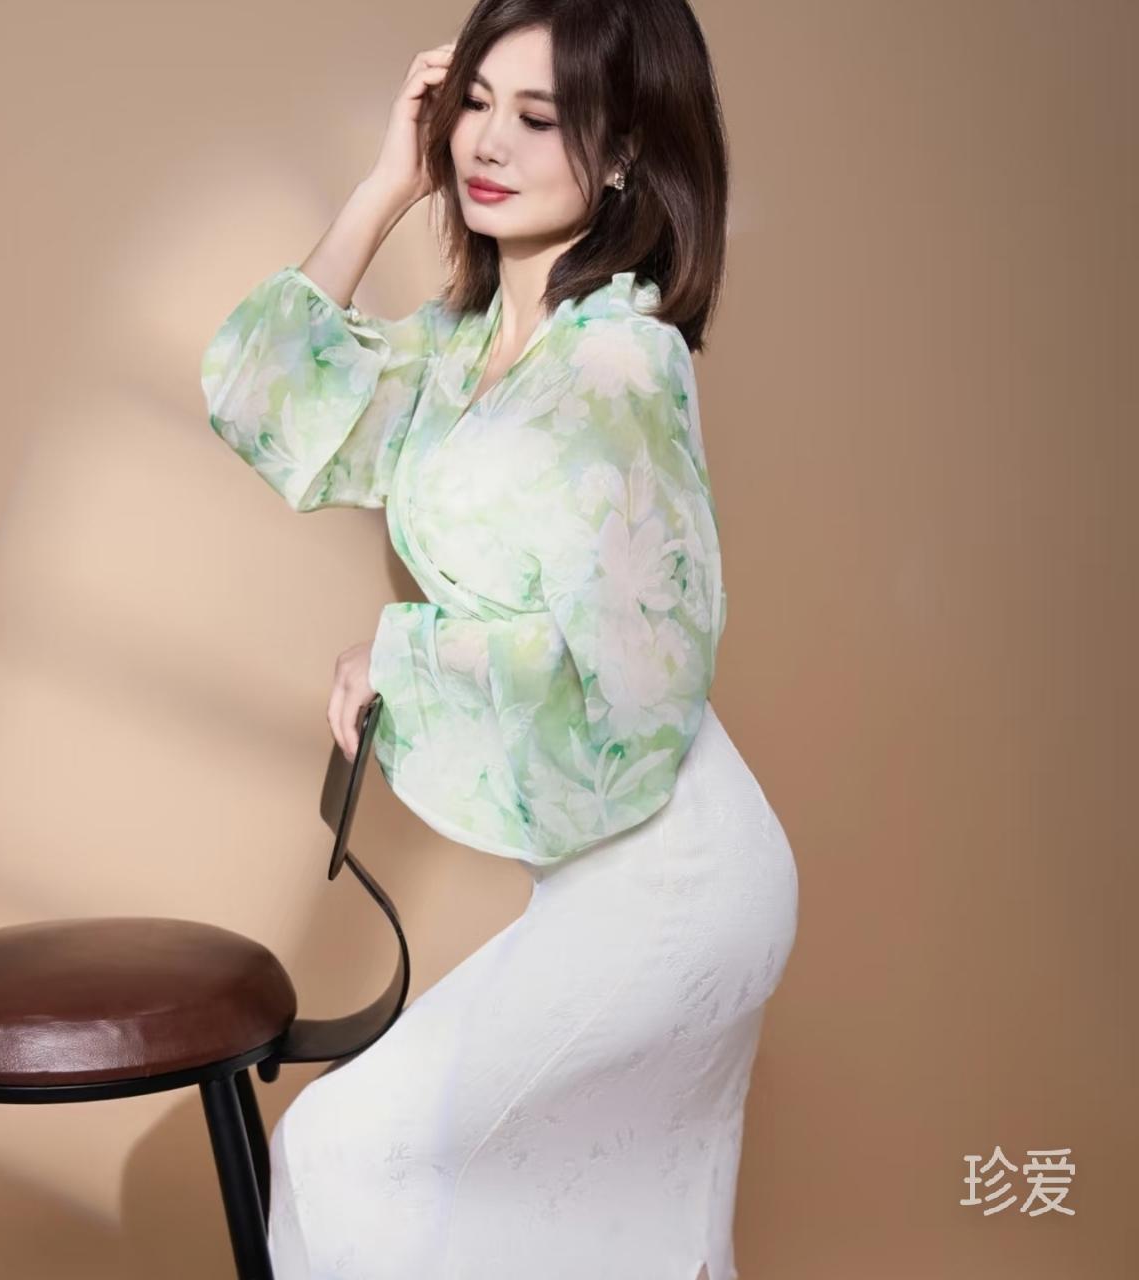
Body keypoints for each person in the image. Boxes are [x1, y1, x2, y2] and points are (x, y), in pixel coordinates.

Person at [199, 2, 798, 1276]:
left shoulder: (618, 364)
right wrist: (383, 186)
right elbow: (258, 397)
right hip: (603, 870)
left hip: (680, 873)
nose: (487, 142)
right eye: (473, 102)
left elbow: (640, 687)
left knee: (343, 1151)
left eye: (537, 117)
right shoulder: (461, 356)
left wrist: (398, 657)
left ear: (623, 152)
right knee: (598, 1234)